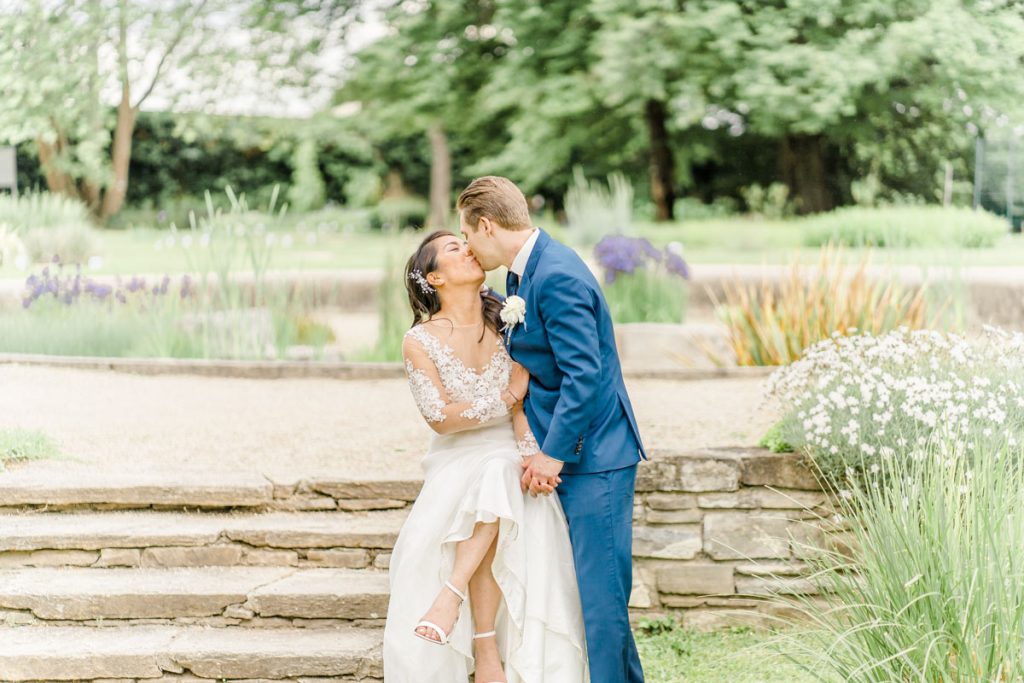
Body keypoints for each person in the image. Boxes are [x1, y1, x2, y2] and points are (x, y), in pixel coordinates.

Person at [457, 176, 648, 683]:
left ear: (486, 225)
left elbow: (585, 376)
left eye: (468, 235)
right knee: (594, 596)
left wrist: (553, 454)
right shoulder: (523, 274)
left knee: (601, 600)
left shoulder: (557, 274)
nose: (469, 248)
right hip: (567, 450)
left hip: (597, 457)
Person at [382, 230, 588, 682]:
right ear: (434, 278)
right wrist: (507, 394)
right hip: (457, 455)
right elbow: (440, 418)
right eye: (453, 248)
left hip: (507, 451)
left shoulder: (509, 321)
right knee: (496, 475)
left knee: (501, 472)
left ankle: (453, 600)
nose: (467, 248)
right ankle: (482, 642)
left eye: (466, 241)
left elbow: (522, 409)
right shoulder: (419, 340)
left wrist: (532, 455)